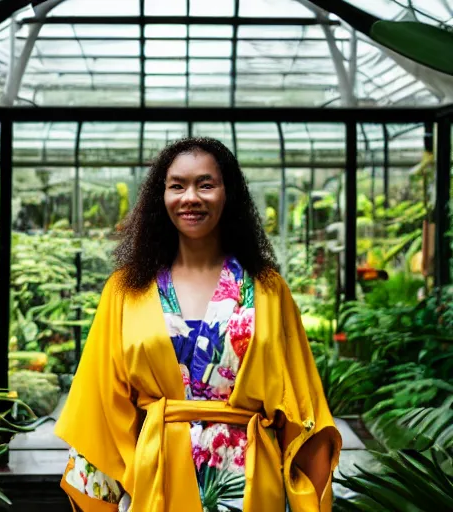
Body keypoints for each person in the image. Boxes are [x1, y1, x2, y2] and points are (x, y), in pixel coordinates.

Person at [55, 137, 342, 512]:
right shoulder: (125, 290)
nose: (190, 197)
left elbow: (303, 406)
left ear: (229, 194)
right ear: (162, 197)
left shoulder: (269, 289)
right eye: (177, 185)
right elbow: (101, 406)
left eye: (205, 184)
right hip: (158, 476)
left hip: (250, 483)